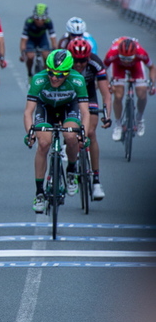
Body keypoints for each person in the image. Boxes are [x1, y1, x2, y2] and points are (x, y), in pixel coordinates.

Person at [24, 50, 90, 212]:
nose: (54, 77)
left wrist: (84, 135)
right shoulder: (39, 79)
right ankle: (39, 192)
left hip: (68, 107)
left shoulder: (77, 80)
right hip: (46, 108)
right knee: (44, 144)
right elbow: (28, 112)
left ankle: (71, 170)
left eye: (60, 75)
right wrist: (29, 133)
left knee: (70, 135)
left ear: (68, 73)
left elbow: (86, 112)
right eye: (51, 73)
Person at [67, 38, 111, 200]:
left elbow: (106, 94)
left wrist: (107, 115)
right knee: (70, 133)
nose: (79, 64)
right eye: (76, 61)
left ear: (88, 57)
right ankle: (72, 162)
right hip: (69, 96)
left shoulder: (95, 63)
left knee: (90, 133)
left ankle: (96, 181)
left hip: (89, 95)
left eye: (83, 61)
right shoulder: (64, 61)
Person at [104, 37, 154, 139]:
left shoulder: (141, 52)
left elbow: (152, 67)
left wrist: (152, 84)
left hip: (136, 66)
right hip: (118, 67)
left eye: (129, 59)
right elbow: (102, 71)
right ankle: (118, 125)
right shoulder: (112, 53)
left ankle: (139, 118)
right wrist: (108, 84)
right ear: (119, 54)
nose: (126, 62)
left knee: (142, 93)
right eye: (124, 58)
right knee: (118, 95)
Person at [19, 3, 58, 77]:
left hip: (42, 39)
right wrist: (22, 53)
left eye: (42, 19)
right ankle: (29, 73)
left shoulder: (48, 22)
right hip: (31, 40)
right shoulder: (29, 22)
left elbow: (53, 38)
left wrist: (55, 49)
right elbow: (23, 40)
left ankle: (45, 74)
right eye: (37, 18)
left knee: (47, 56)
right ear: (33, 17)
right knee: (30, 56)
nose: (39, 21)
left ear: (46, 17)